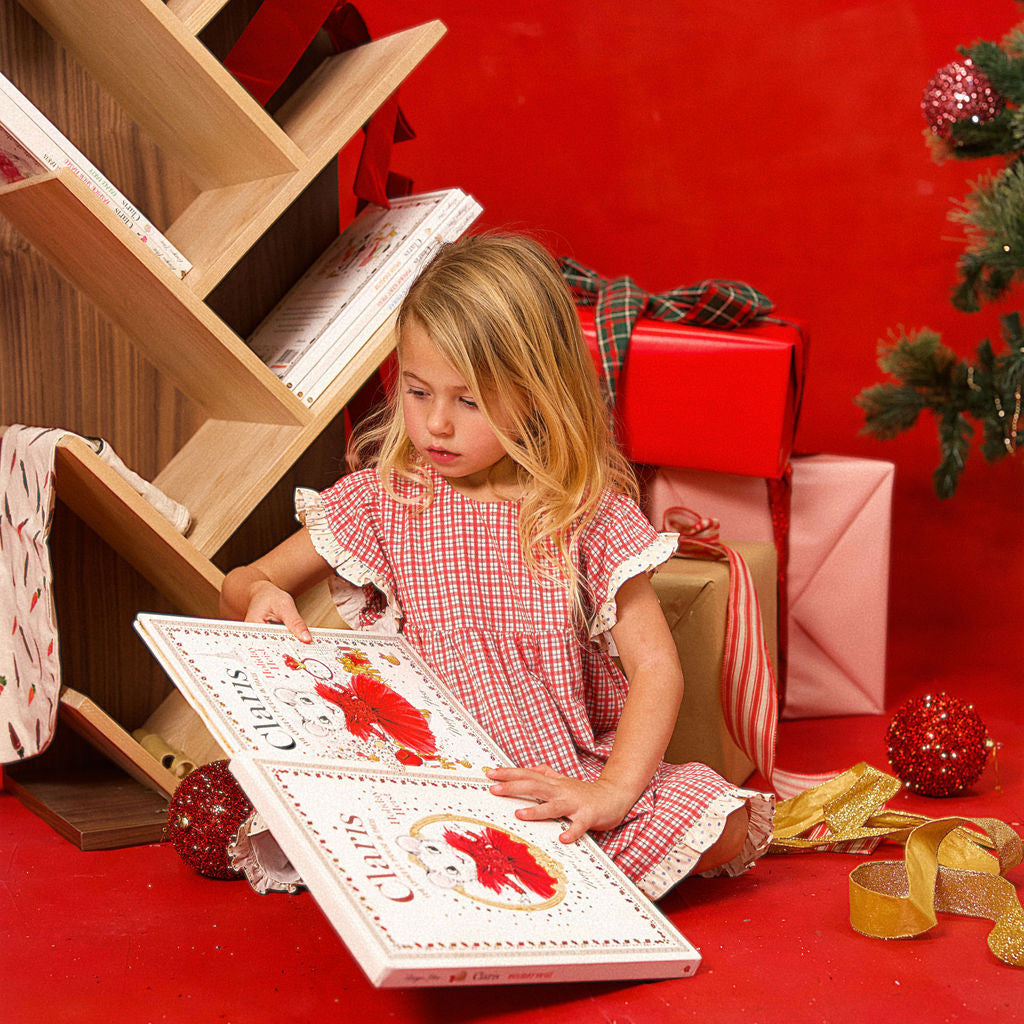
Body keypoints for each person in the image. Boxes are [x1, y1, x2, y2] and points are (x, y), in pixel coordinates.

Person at [220, 234, 773, 900]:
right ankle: (462, 875)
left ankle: (511, 878)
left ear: (538, 393)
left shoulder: (581, 513)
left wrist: (611, 792)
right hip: (419, 779)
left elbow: (656, 666)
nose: (436, 426)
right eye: (419, 392)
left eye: (470, 401)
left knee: (726, 819)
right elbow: (245, 579)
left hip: (552, 781)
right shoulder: (383, 499)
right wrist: (259, 598)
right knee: (313, 820)